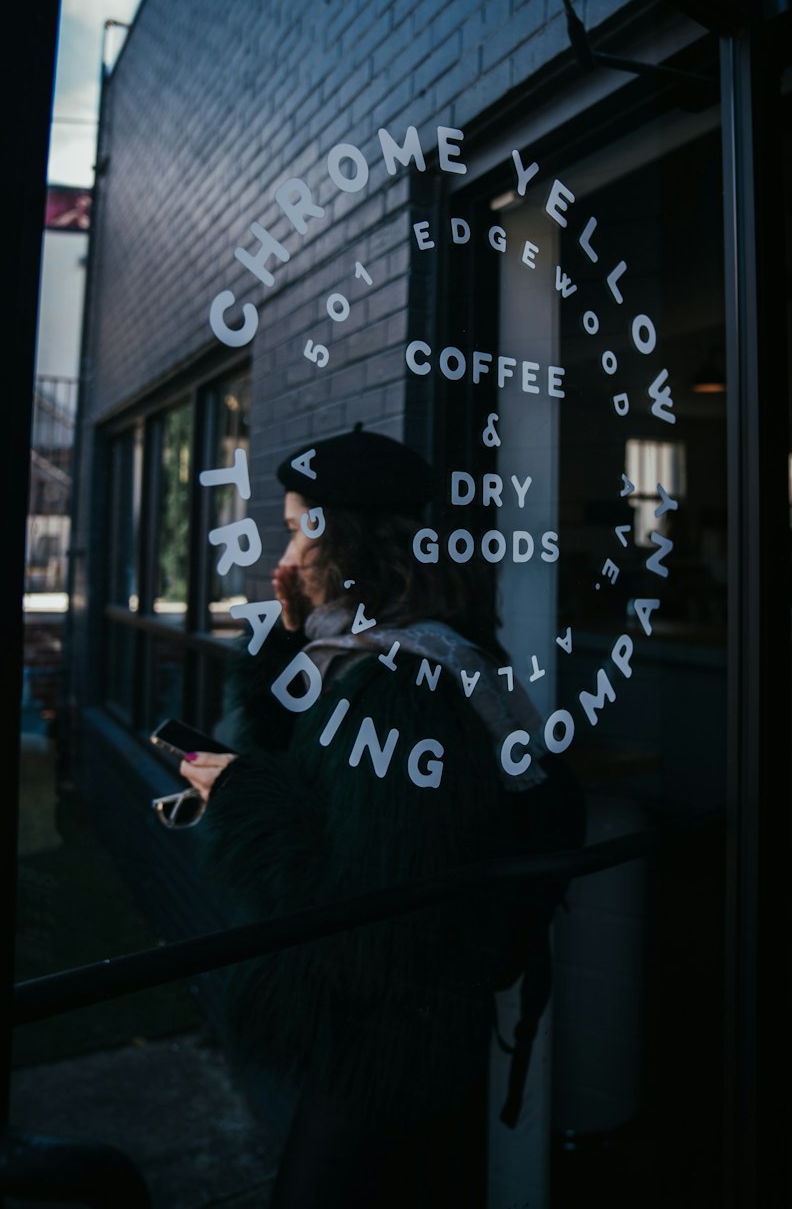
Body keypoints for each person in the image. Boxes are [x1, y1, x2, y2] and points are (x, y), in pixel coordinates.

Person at [179, 426, 577, 1207]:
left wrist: (238, 796)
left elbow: (359, 900)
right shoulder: (382, 649)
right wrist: (287, 639)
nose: (284, 557)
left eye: (298, 529)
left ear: (346, 542)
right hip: (389, 1023)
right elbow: (302, 760)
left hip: (389, 1034)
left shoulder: (406, 684)